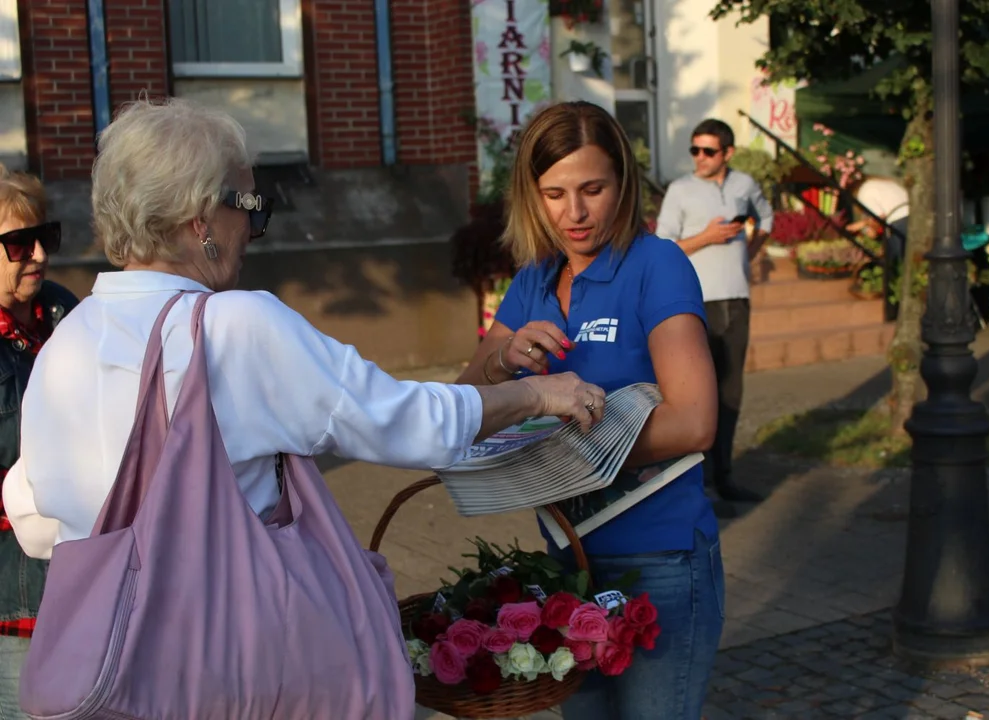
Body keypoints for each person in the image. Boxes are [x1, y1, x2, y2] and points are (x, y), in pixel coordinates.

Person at [2, 98, 603, 620]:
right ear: (202, 217)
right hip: (226, 652)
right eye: (249, 205)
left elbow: (29, 515)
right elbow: (410, 421)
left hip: (109, 655)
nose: (253, 225)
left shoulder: (68, 335)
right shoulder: (234, 327)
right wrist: (536, 394)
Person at [456, 101, 721, 720]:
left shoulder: (657, 264)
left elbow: (695, 421)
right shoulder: (533, 280)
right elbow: (464, 410)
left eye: (592, 189)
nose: (573, 213)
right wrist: (503, 358)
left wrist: (554, 456)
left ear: (623, 185)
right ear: (531, 195)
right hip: (568, 562)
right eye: (554, 194)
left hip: (660, 561)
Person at [654, 118, 773, 516]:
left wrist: (749, 254)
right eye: (695, 150)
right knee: (695, 394)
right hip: (694, 304)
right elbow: (663, 246)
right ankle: (697, 486)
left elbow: (767, 221)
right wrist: (706, 238)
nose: (699, 158)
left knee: (731, 391)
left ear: (727, 153)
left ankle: (725, 477)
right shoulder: (680, 190)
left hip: (736, 299)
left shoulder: (744, 184)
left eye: (708, 151)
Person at [0, 167, 78, 718]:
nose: (38, 256)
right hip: (15, 598)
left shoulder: (63, 311)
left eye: (44, 238)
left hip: (86, 580)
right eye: (17, 244)